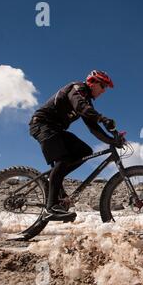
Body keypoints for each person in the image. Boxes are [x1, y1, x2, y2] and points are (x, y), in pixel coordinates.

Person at [29, 70, 120, 222]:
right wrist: (103, 118)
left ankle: (56, 176)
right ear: (92, 82)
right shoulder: (78, 88)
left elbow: (94, 129)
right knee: (63, 159)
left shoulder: (87, 103)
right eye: (102, 86)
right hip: (43, 124)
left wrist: (113, 141)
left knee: (85, 151)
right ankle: (50, 208)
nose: (104, 91)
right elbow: (81, 106)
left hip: (55, 129)